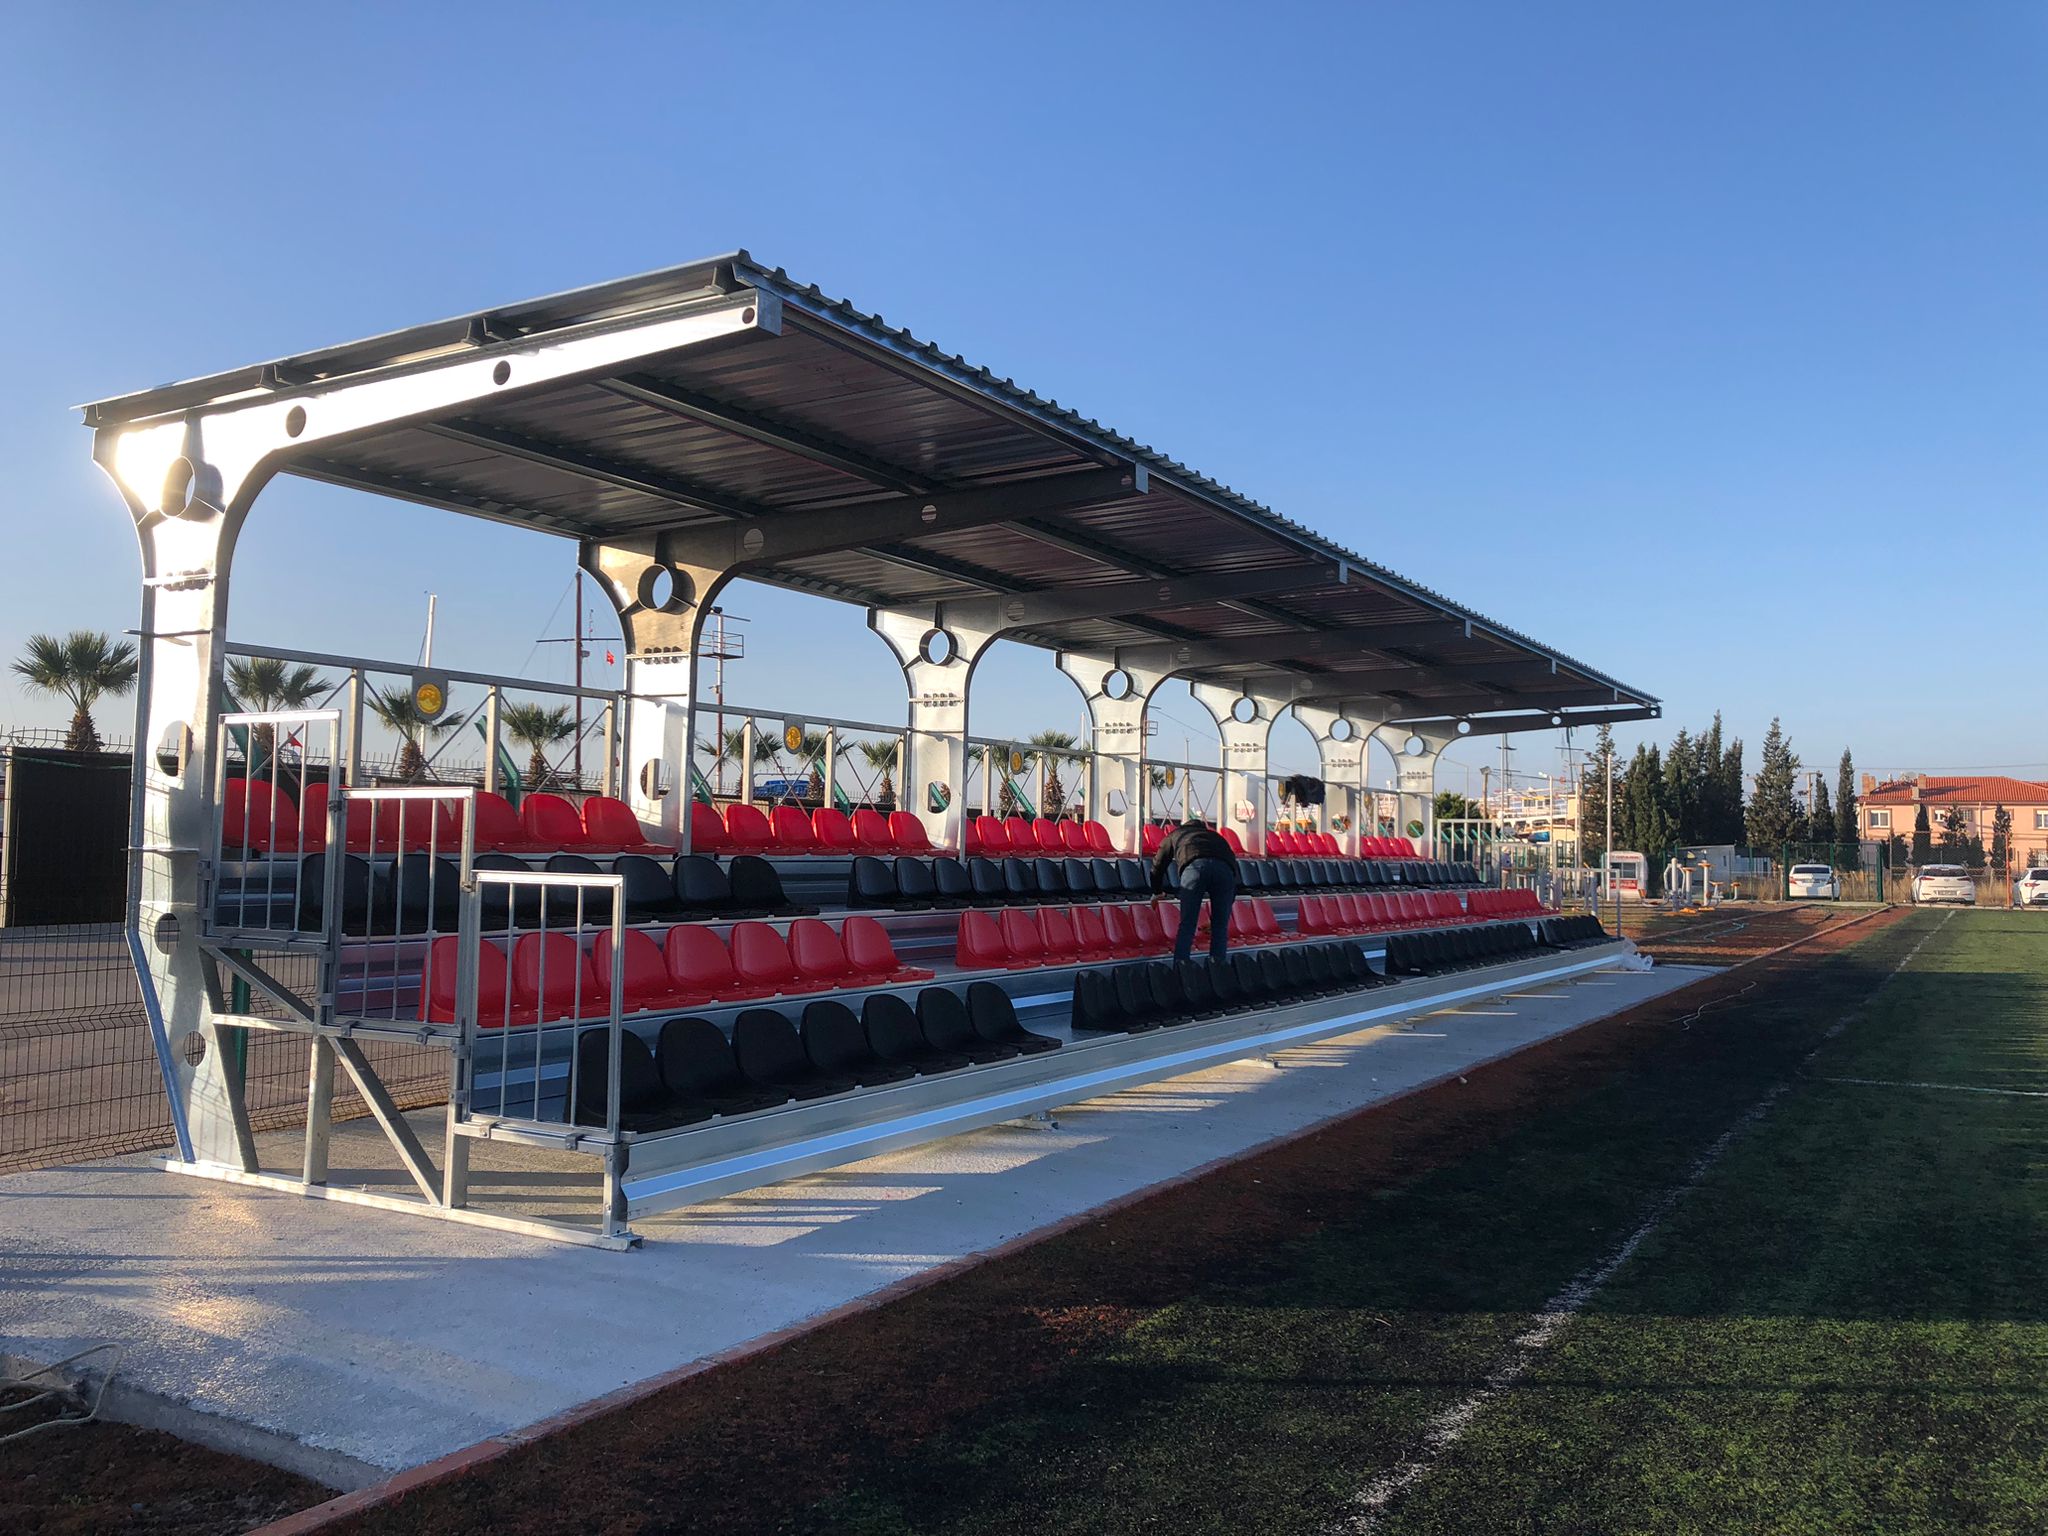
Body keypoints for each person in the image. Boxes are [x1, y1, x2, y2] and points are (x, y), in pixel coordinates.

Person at [1150, 815, 1239, 964]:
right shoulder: (1217, 838)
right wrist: (1223, 910)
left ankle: (1181, 966)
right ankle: (1218, 967)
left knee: (1187, 924)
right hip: (1225, 872)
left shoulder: (1176, 834)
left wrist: (1157, 891)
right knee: (1220, 927)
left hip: (1194, 868)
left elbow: (1158, 864)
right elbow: (1234, 873)